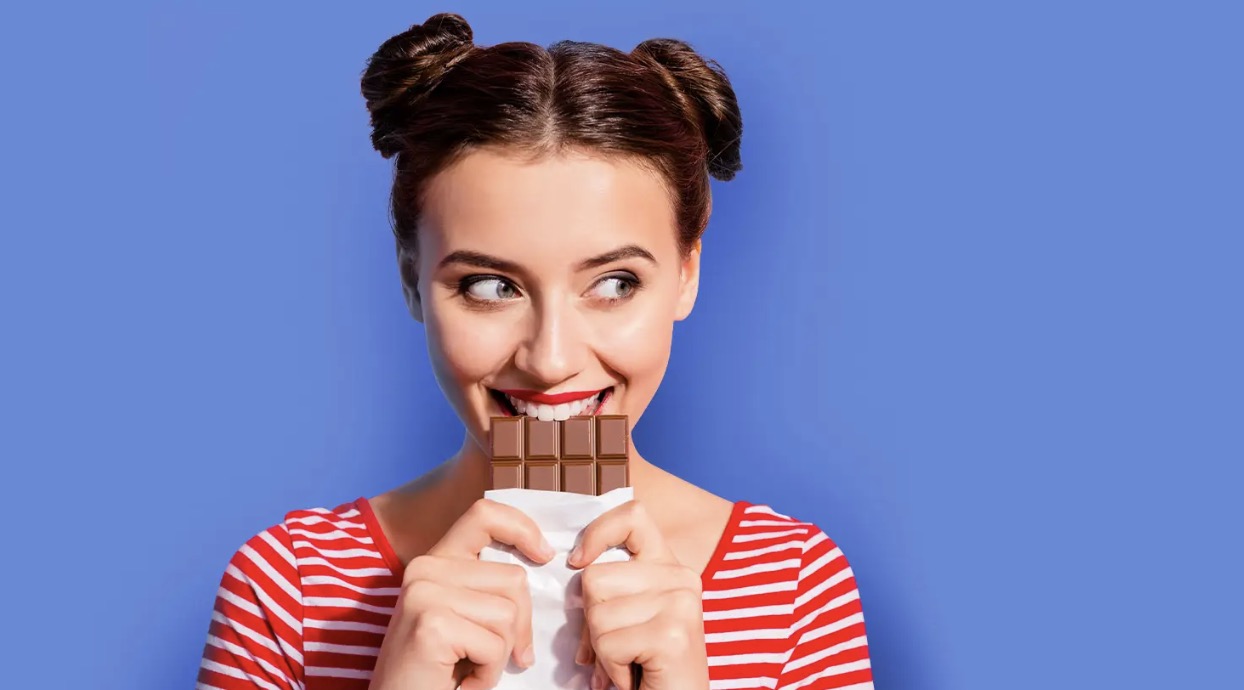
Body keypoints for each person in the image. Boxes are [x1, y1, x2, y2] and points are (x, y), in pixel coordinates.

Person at [197, 12, 874, 690]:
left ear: (687, 273)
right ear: (411, 280)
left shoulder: (792, 585)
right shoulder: (293, 588)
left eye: (614, 284)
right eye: (491, 286)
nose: (551, 361)